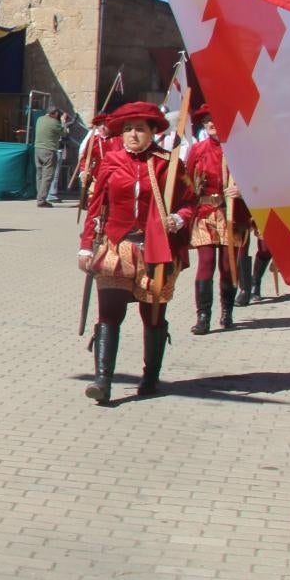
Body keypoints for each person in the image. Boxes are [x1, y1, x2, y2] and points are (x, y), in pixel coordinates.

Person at [78, 101, 193, 404]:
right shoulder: (111, 161)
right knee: (109, 312)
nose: (132, 134)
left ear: (153, 131)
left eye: (139, 129)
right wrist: (86, 246)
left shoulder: (169, 164)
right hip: (116, 246)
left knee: (152, 315)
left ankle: (150, 377)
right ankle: (103, 381)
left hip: (156, 250)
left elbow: (190, 202)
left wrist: (177, 219)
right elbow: (95, 207)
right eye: (127, 129)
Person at [184, 106, 249, 335]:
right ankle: (203, 317)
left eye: (215, 119)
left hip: (233, 214)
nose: (211, 124)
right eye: (207, 120)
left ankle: (227, 311)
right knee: (206, 262)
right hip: (205, 214)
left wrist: (242, 190)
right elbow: (186, 183)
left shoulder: (239, 151)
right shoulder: (198, 150)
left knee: (228, 266)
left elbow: (257, 182)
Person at [32, 106, 65, 208]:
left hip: (37, 149)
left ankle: (39, 196)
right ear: (55, 113)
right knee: (47, 176)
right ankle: (41, 200)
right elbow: (64, 133)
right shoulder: (54, 123)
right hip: (49, 150)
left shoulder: (40, 119)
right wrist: (63, 122)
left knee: (39, 175)